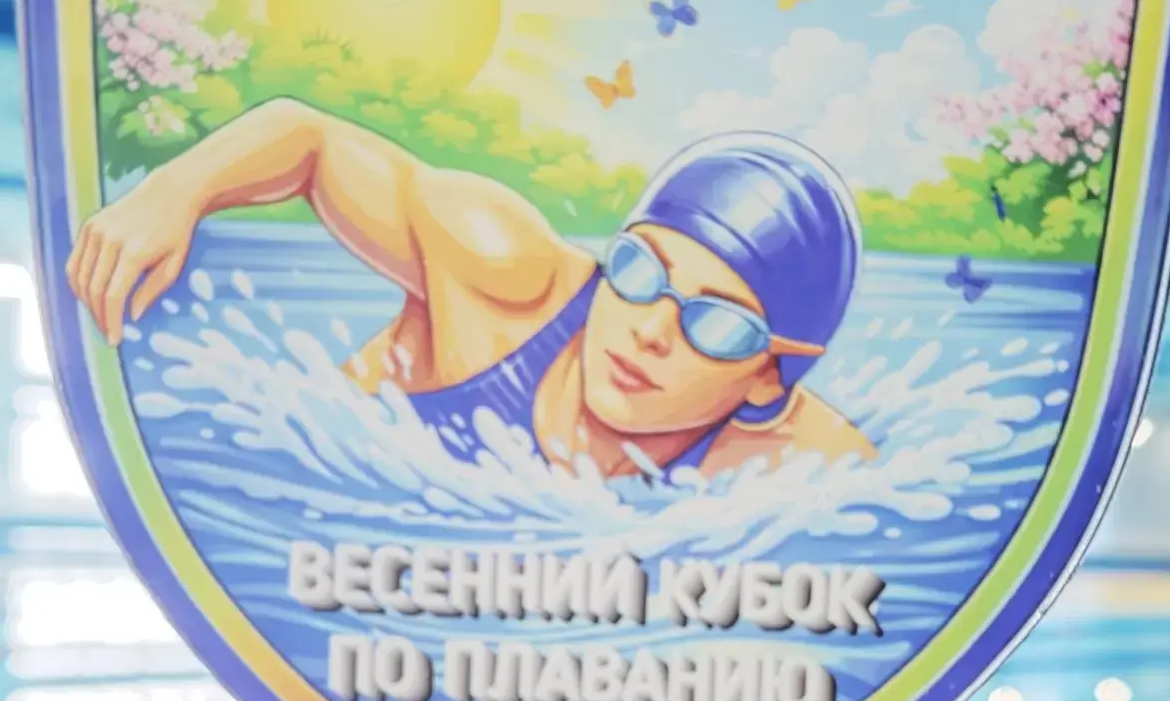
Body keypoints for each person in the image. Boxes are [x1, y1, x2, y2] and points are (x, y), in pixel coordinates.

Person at [67, 100, 875, 478]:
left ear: (770, 375)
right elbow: (309, 140)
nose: (650, 331)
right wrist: (173, 192)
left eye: (718, 324)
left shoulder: (795, 463)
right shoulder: (506, 281)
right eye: (638, 271)